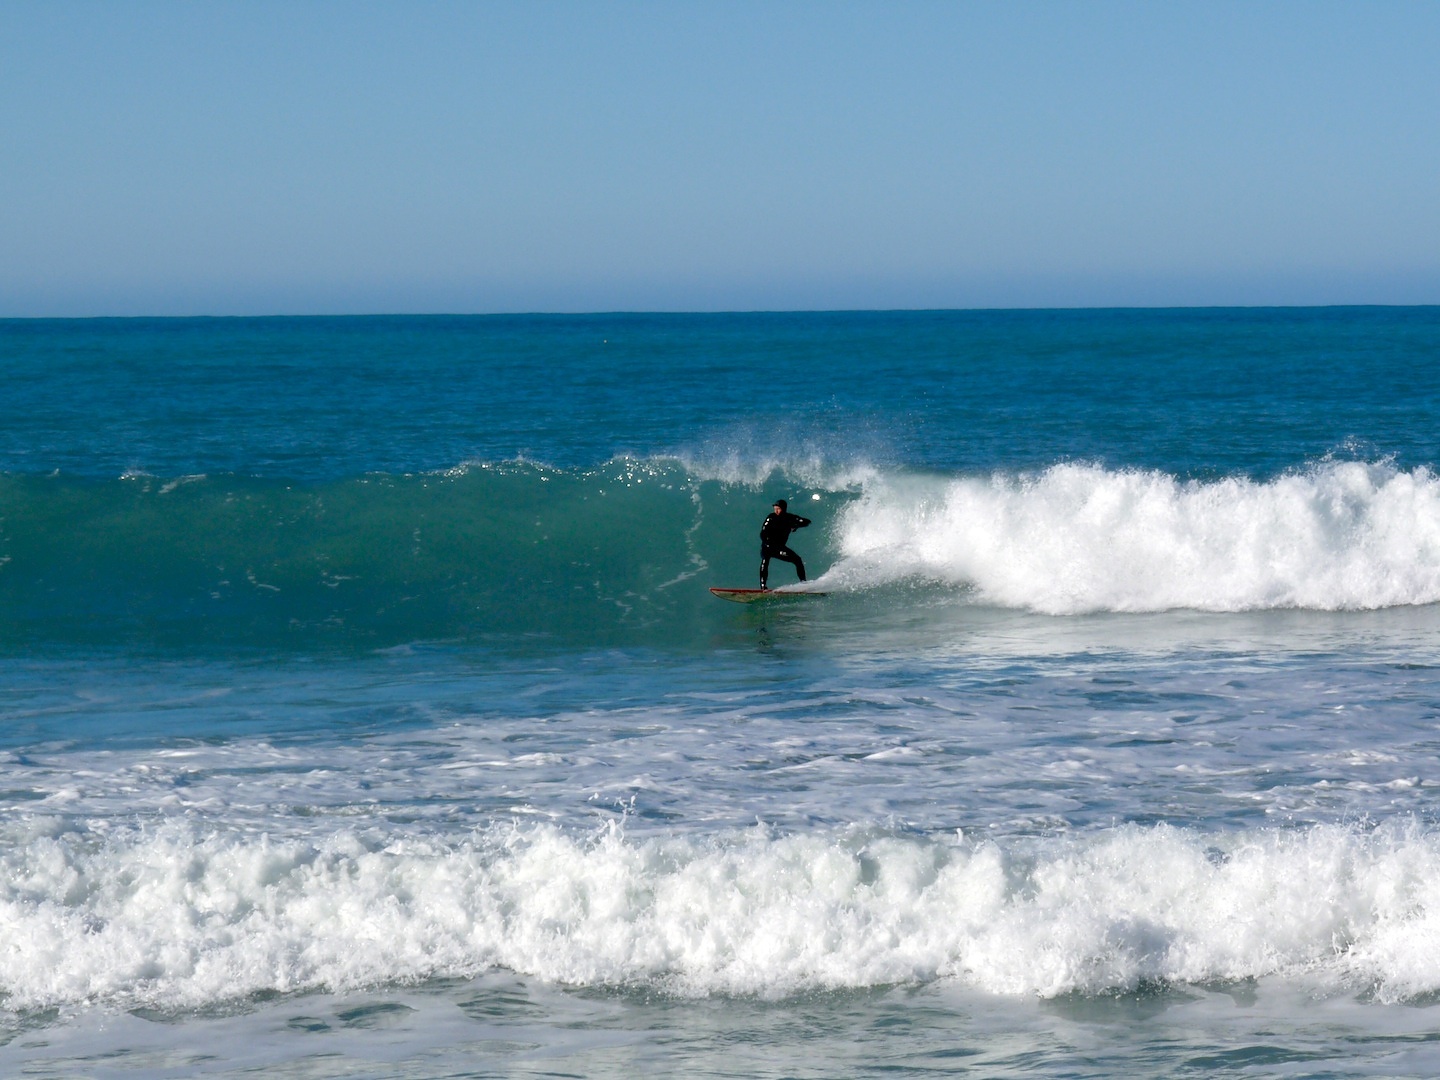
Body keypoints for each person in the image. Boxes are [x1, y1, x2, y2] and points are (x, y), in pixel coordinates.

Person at [759, 499, 810, 590]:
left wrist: (796, 525)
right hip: (768, 546)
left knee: (798, 560)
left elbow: (806, 521)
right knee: (765, 561)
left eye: (778, 509)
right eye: (775, 508)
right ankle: (763, 586)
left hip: (779, 548)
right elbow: (763, 533)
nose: (776, 511)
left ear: (784, 508)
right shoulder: (771, 517)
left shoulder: (789, 518)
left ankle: (804, 583)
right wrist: (767, 542)